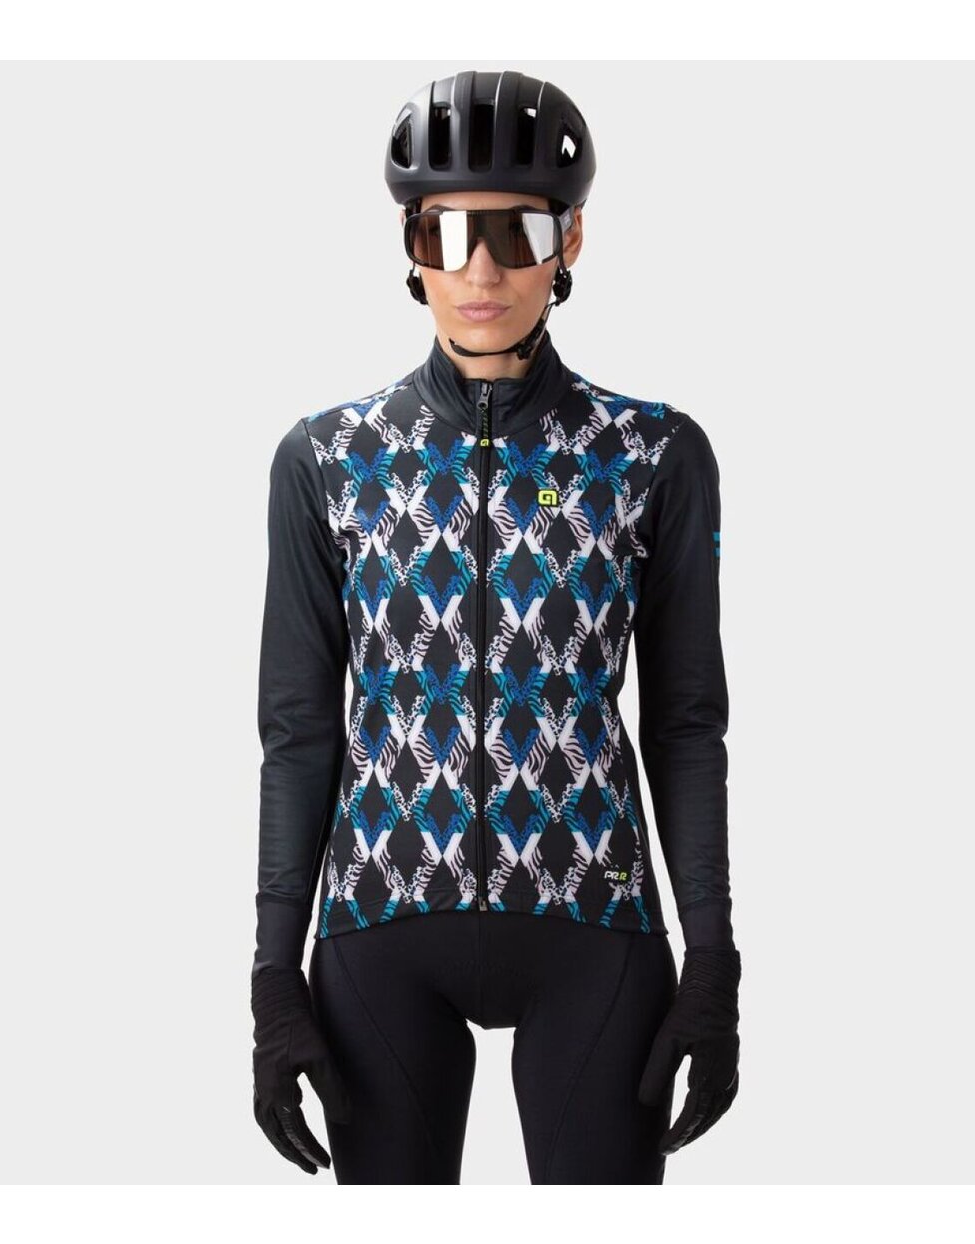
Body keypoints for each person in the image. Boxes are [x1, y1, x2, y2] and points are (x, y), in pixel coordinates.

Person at [250, 69, 742, 1185]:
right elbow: (298, 732)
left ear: (572, 240)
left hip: (595, 922)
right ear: (411, 244)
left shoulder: (654, 455)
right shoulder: (327, 461)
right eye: (449, 232)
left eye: (518, 234)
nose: (481, 271)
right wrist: (273, 976)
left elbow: (684, 723)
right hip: (379, 924)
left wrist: (713, 960)